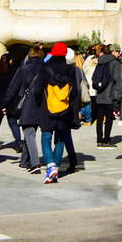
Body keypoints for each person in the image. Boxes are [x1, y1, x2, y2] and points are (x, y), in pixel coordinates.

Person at [33, 41, 79, 183]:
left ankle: (51, 166)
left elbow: (37, 90)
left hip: (47, 109)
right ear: (65, 54)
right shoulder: (71, 70)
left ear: (53, 52)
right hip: (64, 110)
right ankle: (55, 169)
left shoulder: (45, 67)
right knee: (60, 140)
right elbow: (75, 92)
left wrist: (40, 102)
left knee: (45, 138)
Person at [5, 43, 44, 172]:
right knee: (31, 132)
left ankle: (35, 164)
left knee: (28, 132)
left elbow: (13, 87)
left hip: (28, 104)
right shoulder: (45, 68)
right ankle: (23, 162)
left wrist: (6, 103)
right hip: (41, 105)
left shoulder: (25, 68)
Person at [92, 44, 122, 148]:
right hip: (110, 95)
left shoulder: (100, 61)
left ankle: (99, 140)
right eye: (118, 52)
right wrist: (118, 98)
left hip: (100, 94)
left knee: (99, 118)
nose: (119, 54)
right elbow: (118, 80)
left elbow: (94, 77)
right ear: (114, 52)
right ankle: (107, 140)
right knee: (109, 119)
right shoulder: (115, 63)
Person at [0, 51, 20, 150]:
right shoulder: (15, 72)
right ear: (10, 61)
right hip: (11, 100)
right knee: (13, 122)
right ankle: (18, 143)